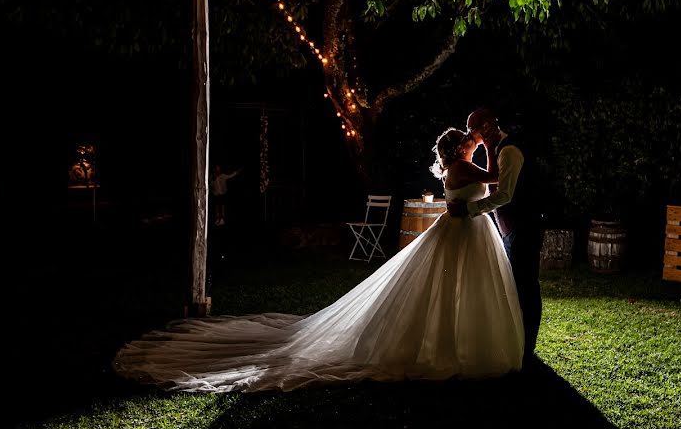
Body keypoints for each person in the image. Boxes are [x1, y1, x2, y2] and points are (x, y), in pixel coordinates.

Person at [113, 128, 523, 393]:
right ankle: (449, 346)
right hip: (460, 233)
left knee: (451, 290)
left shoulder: (457, 165)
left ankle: (451, 342)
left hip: (462, 231)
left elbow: (486, 187)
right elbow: (497, 183)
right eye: (468, 139)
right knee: (449, 289)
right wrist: (493, 147)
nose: (473, 138)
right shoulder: (465, 166)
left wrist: (483, 146)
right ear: (460, 148)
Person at [447, 108, 545, 367]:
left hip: (524, 227)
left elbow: (505, 194)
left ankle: (527, 349)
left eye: (473, 129)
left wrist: (469, 209)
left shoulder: (510, 151)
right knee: (512, 288)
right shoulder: (494, 151)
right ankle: (518, 344)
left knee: (526, 287)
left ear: (487, 126)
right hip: (510, 230)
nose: (470, 135)